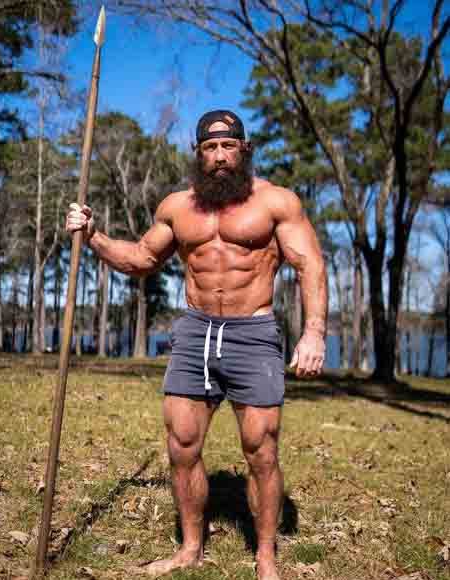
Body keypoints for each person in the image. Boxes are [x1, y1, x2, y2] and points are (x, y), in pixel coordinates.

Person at [66, 110, 327, 580]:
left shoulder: (276, 202)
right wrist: (93, 237)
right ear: (198, 153)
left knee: (261, 450)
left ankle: (266, 557)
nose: (220, 156)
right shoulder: (178, 207)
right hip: (195, 333)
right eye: (210, 147)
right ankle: (190, 549)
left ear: (244, 150)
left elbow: (310, 265)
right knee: (182, 444)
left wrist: (314, 333)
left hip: (253, 334)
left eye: (228, 146)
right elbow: (142, 258)